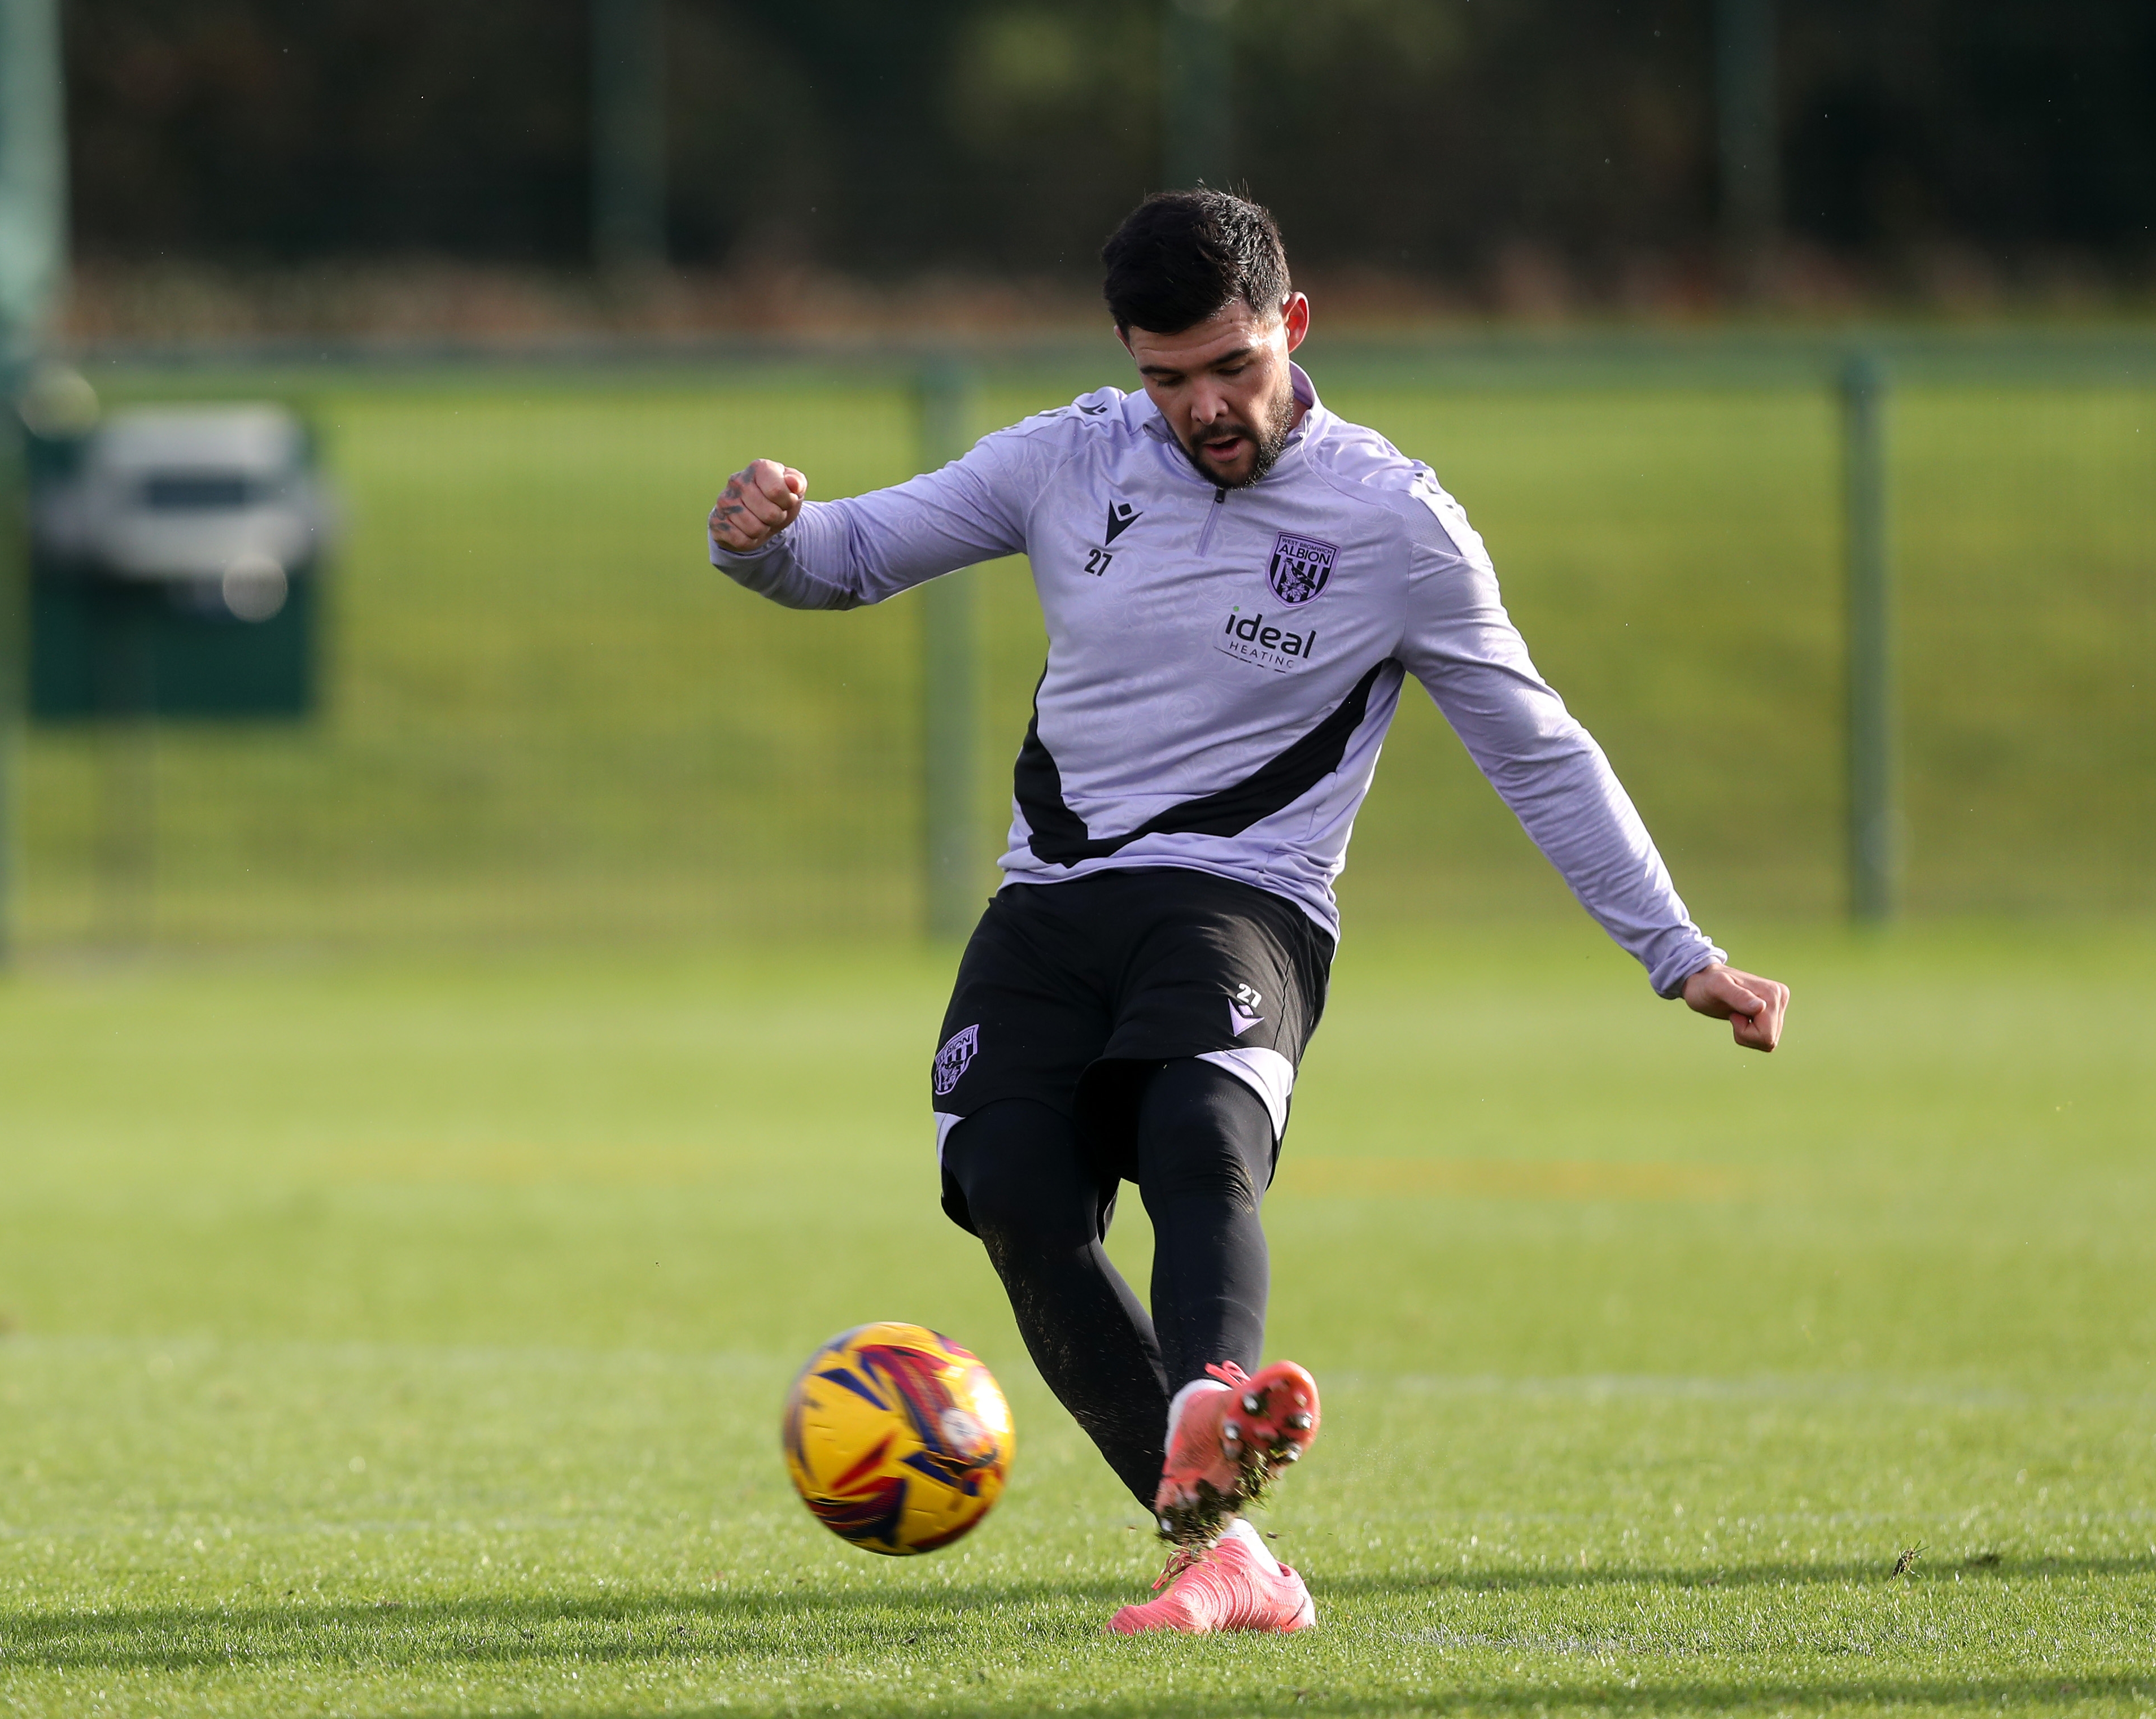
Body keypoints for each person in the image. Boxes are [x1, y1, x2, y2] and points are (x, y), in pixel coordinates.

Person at [704, 190, 1790, 1635]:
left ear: (1294, 322)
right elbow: (852, 553)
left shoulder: (1392, 522)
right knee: (1014, 1192)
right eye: (1169, 379)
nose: (1206, 408)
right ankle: (1223, 1549)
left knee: (1193, 1127)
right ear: (1126, 358)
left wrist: (1680, 953)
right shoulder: (1071, 457)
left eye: (1233, 368)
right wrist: (764, 541)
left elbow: (1537, 746)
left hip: (1244, 900)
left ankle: (1219, 1407)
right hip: (1050, 905)